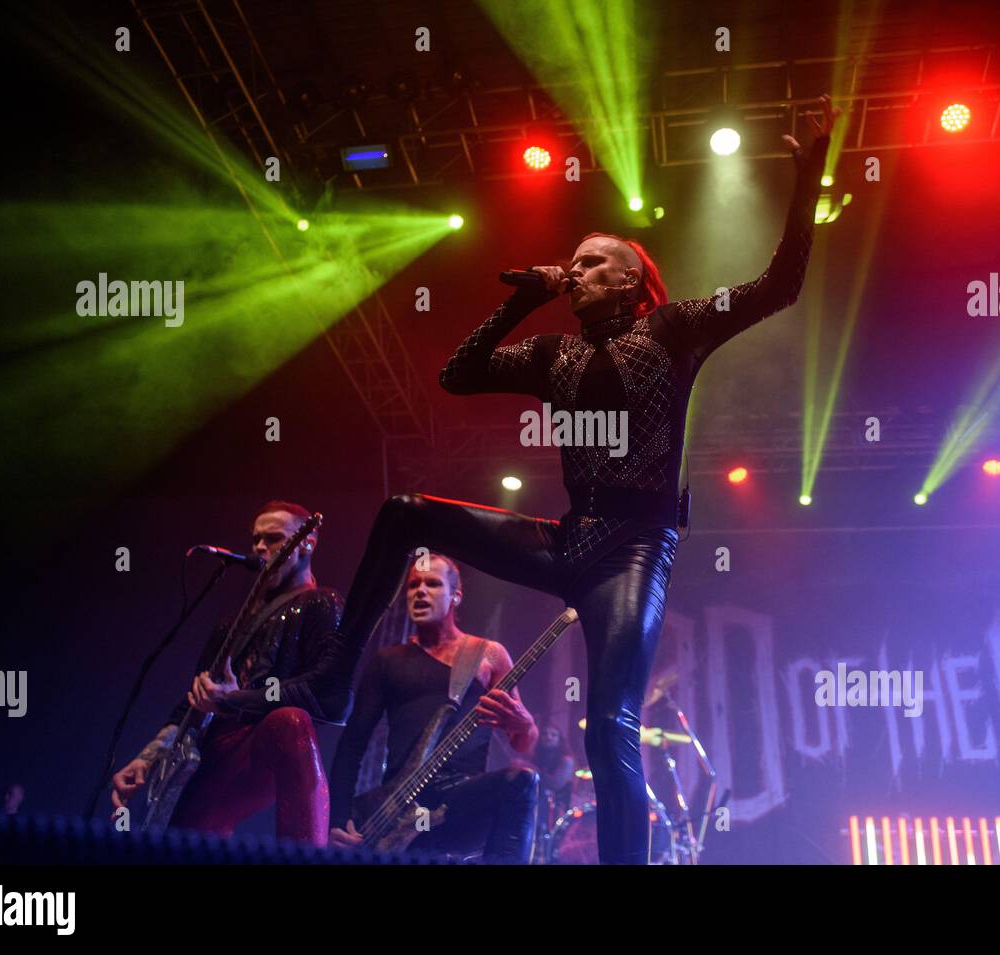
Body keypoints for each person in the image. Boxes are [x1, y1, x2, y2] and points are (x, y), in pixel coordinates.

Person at [338, 97, 838, 863]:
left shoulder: (674, 330)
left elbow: (779, 285)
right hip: (568, 537)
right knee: (406, 511)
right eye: (572, 262)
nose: (577, 270)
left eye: (594, 261)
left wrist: (807, 182)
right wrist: (522, 297)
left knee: (610, 726)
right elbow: (456, 374)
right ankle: (338, 675)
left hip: (636, 550)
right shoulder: (554, 353)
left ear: (635, 278)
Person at [111, 500, 347, 847]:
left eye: (274, 538)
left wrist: (239, 700)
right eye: (256, 540)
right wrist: (147, 758)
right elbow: (191, 702)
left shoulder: (321, 603)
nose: (260, 548)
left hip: (258, 744)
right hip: (205, 759)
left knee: (290, 721)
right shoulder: (230, 623)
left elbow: (325, 690)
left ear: (307, 543)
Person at [329, 553, 540, 863]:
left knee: (521, 782)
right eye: (413, 585)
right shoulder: (387, 660)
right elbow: (352, 745)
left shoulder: (488, 655)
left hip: (458, 802)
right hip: (399, 807)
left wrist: (525, 724)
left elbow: (524, 744)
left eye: (432, 584)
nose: (420, 592)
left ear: (456, 595)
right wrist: (338, 820)